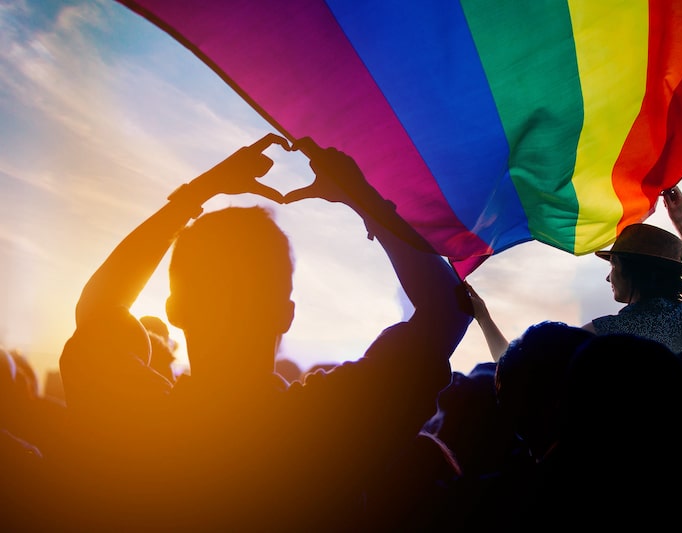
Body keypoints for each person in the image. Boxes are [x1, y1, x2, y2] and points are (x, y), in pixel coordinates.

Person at [54, 133, 472, 531]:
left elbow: (98, 309)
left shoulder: (139, 420)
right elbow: (448, 310)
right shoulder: (329, 425)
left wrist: (197, 193)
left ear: (175, 309)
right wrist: (363, 198)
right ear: (286, 315)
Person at [582, 186, 682, 366]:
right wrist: (681, 223)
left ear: (630, 272)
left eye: (613, 265)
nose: (608, 277)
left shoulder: (600, 336)